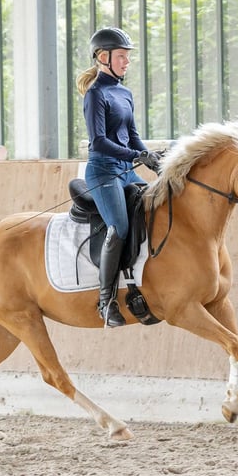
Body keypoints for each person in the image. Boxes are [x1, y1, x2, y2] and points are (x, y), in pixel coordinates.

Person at [76, 27, 161, 328]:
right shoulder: (96, 95)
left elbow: (132, 135)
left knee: (156, 207)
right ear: (103, 57)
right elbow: (98, 141)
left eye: (127, 57)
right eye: (122, 56)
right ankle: (106, 300)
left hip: (126, 171)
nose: (127, 62)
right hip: (103, 171)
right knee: (120, 226)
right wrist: (136, 157)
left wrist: (152, 160)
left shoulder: (124, 93)